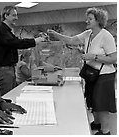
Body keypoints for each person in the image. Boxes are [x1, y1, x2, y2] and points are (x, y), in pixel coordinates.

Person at [47, 7, 117, 135]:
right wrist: (55, 34)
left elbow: (113, 58)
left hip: (104, 75)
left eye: (90, 19)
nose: (87, 21)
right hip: (92, 75)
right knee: (93, 100)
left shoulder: (105, 36)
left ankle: (105, 131)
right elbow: (71, 40)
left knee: (102, 103)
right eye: (87, 18)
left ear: (98, 20)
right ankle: (97, 123)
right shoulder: (88, 34)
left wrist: (93, 57)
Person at [0, 6, 46, 96]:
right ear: (6, 16)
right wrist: (35, 41)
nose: (16, 18)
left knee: (11, 95)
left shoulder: (7, 31)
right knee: (8, 96)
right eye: (14, 15)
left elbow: (17, 42)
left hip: (9, 69)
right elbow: (16, 43)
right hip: (5, 70)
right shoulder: (2, 31)